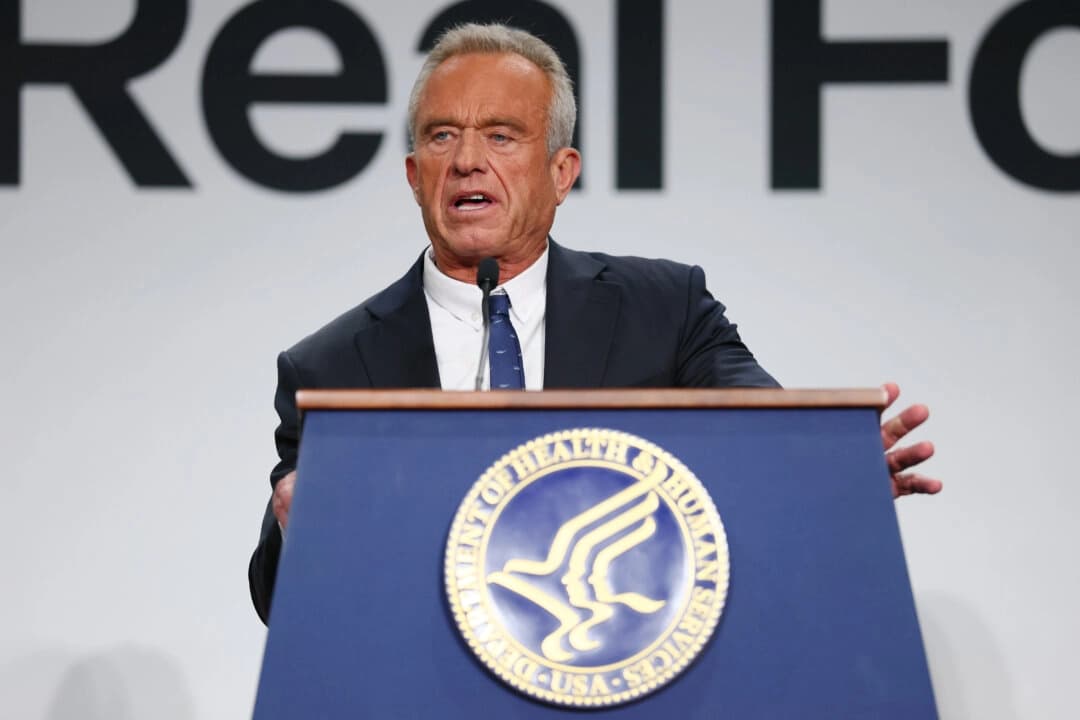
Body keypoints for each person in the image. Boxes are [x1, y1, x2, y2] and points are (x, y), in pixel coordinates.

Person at [248, 23, 941, 624]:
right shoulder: (331, 366)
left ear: (562, 171)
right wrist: (295, 531)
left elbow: (756, 423)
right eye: (441, 136)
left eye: (500, 135)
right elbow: (279, 604)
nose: (465, 161)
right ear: (412, 172)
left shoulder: (665, 310)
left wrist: (826, 469)